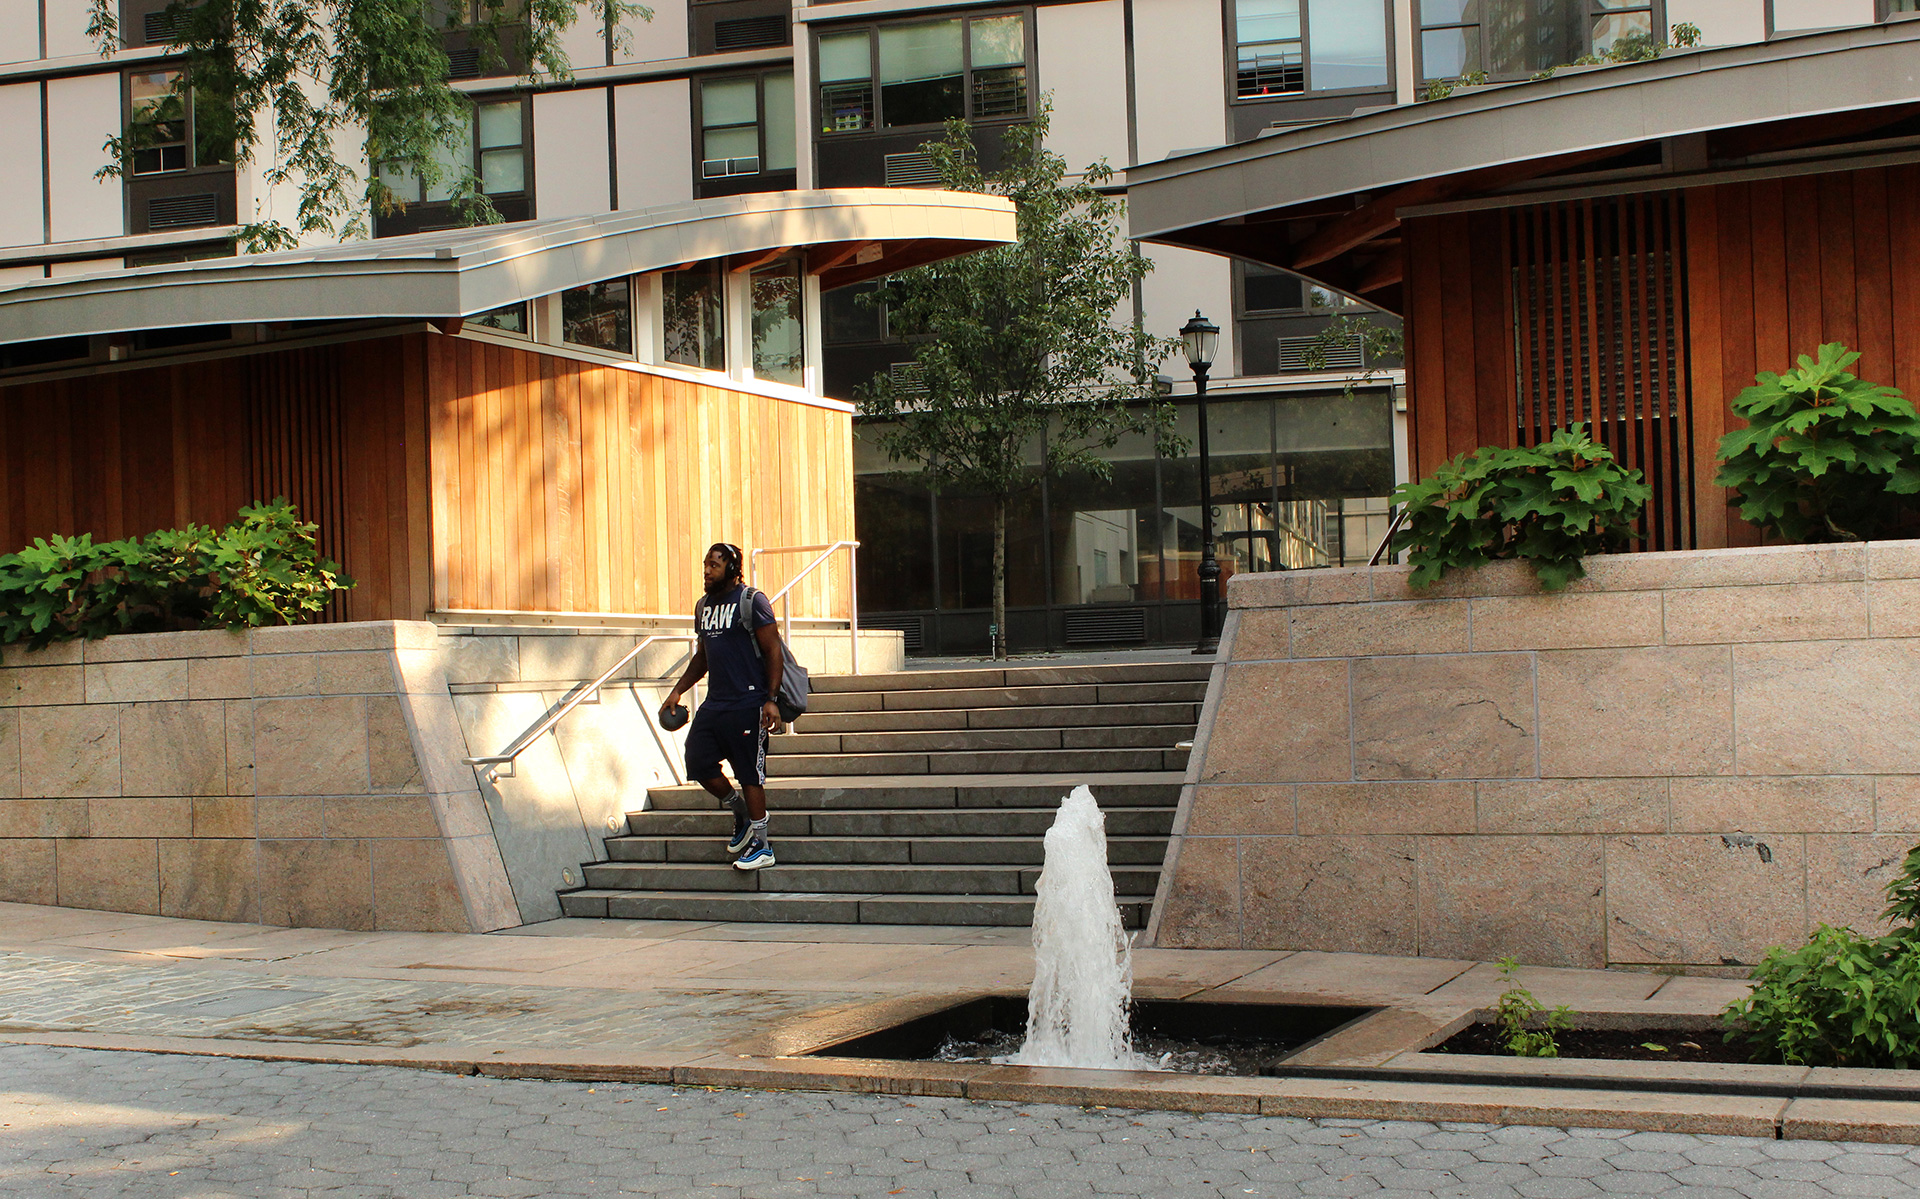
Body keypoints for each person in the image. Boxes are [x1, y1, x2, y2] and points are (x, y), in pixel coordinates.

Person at [661, 543, 782, 870]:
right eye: (705, 564)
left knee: (749, 774)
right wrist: (678, 690)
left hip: (749, 702)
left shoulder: (752, 601)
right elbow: (703, 656)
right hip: (716, 704)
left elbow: (773, 651)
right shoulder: (703, 607)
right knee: (697, 760)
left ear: (731, 567)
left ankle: (763, 844)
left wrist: (771, 700)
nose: (706, 570)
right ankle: (739, 811)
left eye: (714, 565)